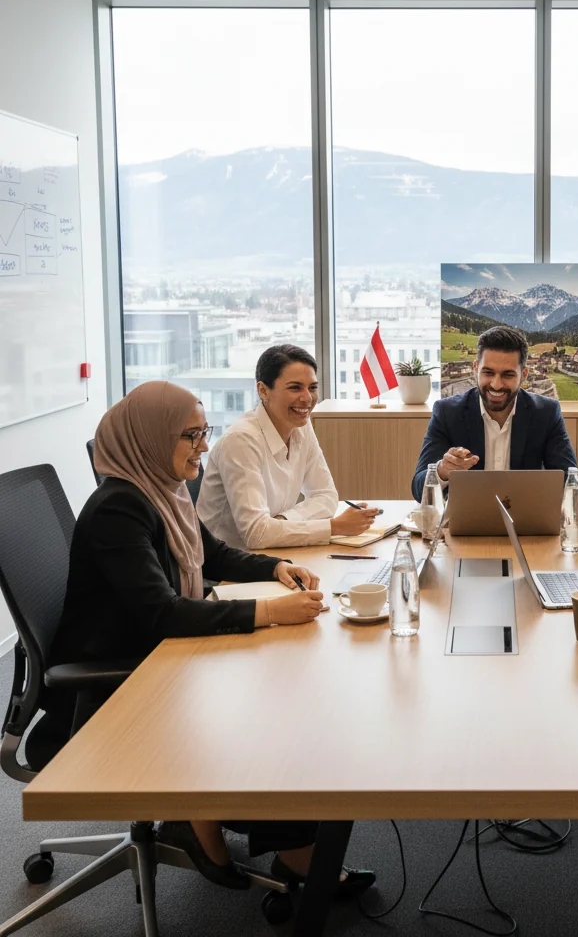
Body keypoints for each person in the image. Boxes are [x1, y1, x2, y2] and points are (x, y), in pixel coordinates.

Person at [46, 381, 375, 898]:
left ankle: (259, 835)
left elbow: (215, 554)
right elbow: (161, 613)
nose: (203, 445)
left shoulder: (163, 490)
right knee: (275, 716)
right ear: (150, 439)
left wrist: (277, 565)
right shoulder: (119, 509)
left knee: (286, 693)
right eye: (191, 435)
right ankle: (262, 841)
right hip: (122, 683)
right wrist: (270, 611)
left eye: (205, 431)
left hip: (164, 657)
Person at [198, 344, 378, 549]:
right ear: (263, 390)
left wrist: (281, 522)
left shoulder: (301, 425)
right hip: (227, 568)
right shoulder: (240, 440)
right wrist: (333, 527)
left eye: (312, 387)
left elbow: (326, 496)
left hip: (275, 554)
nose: (307, 398)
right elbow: (256, 535)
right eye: (295, 388)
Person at [411, 325, 578, 500]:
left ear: (524, 375)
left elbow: (573, 483)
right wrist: (442, 471)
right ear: (476, 369)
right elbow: (418, 488)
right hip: (465, 524)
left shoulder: (546, 413)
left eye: (507, 375)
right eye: (488, 373)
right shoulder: (447, 412)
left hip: (526, 524)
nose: (496, 385)